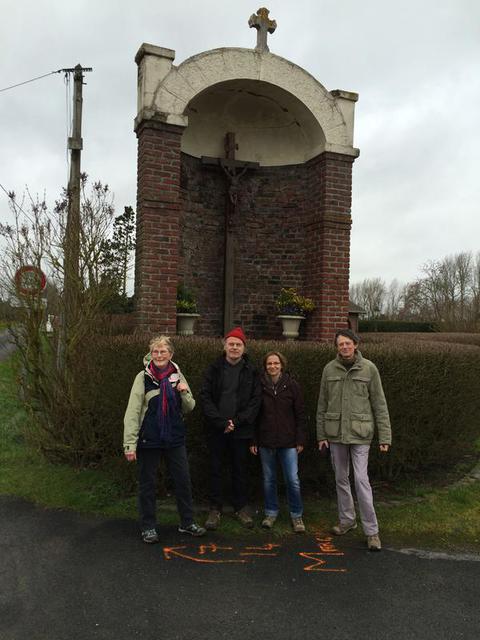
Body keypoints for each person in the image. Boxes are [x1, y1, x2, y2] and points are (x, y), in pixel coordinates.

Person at [123, 335, 206, 543]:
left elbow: (190, 406)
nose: (159, 355)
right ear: (150, 354)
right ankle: (148, 526)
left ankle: (187, 523)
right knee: (147, 484)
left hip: (174, 438)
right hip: (148, 439)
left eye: (163, 351)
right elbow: (132, 412)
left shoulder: (178, 375)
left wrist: (185, 392)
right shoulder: (143, 377)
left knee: (183, 481)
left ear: (171, 354)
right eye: (155, 351)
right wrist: (129, 444)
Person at [316, 329, 391, 552]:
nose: (345, 347)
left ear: (355, 344)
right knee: (341, 478)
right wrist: (321, 434)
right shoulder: (329, 369)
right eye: (341, 344)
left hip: (361, 434)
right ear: (336, 347)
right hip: (335, 433)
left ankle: (372, 532)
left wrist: (384, 436)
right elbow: (322, 404)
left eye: (348, 343)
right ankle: (347, 520)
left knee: (360, 480)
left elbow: (379, 404)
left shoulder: (369, 368)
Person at [200, 327, 261, 530]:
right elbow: (205, 397)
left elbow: (255, 401)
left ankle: (241, 508)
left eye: (238, 344)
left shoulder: (252, 371)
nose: (234, 347)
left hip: (241, 430)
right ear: (224, 346)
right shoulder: (213, 369)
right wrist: (221, 422)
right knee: (215, 469)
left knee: (240, 470)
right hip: (216, 429)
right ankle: (215, 509)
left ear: (244, 348)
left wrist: (237, 422)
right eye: (231, 344)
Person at [250, 351, 306, 533]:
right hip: (265, 441)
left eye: (276, 363)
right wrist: (254, 440)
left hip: (288, 442)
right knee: (269, 480)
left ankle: (297, 515)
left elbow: (300, 415)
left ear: (282, 365)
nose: (272, 366)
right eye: (269, 364)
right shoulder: (259, 386)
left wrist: (300, 440)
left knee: (293, 480)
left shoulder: (292, 386)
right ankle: (270, 513)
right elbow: (254, 416)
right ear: (265, 366)